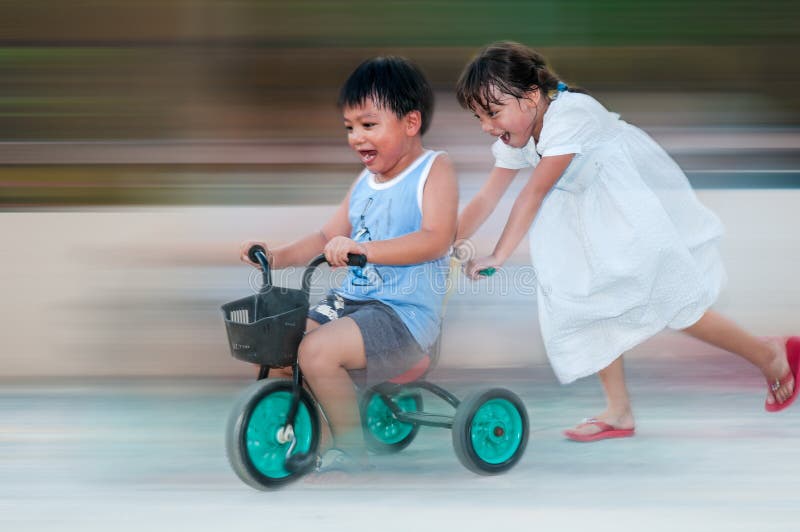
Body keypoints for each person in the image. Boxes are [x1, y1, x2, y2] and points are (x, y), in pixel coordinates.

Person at [453, 41, 799, 442]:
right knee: (589, 303)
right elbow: (486, 197)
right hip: (583, 213)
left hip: (627, 207)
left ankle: (767, 354)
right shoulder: (519, 133)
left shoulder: (570, 115)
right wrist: (447, 239)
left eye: (493, 113)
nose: (486, 127)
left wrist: (498, 253)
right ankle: (618, 411)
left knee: (672, 302)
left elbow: (532, 194)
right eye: (479, 117)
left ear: (531, 97)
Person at [240, 56, 458, 469]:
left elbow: (436, 239)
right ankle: (318, 441)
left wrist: (366, 251)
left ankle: (352, 450)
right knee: (277, 348)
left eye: (368, 124)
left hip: (403, 317)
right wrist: (276, 256)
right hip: (352, 305)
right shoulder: (365, 182)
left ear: (410, 123)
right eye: (349, 127)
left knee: (317, 353)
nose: (357, 137)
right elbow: (325, 237)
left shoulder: (434, 169)